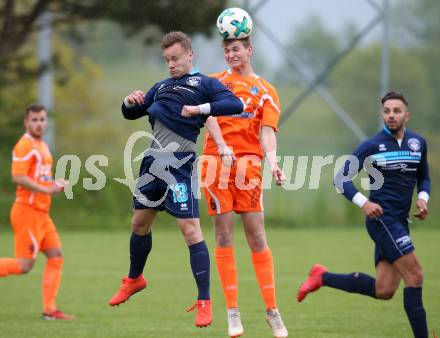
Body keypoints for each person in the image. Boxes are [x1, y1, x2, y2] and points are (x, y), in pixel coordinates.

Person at [108, 31, 243, 328]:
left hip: (180, 165)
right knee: (138, 225)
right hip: (152, 163)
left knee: (191, 232)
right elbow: (131, 113)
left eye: (176, 58)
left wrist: (200, 109)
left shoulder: (205, 84)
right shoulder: (161, 86)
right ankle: (134, 279)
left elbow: (235, 105)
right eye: (167, 59)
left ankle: (204, 301)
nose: (170, 64)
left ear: (190, 55)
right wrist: (129, 102)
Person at [297, 92, 431, 338]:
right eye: (387, 111)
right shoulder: (371, 145)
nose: (391, 115)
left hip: (399, 222)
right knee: (415, 275)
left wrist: (423, 198)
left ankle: (322, 277)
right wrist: (364, 203)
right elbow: (341, 178)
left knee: (385, 289)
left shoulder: (417, 143)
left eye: (396, 110)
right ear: (383, 114)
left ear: (406, 115)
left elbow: (423, 177)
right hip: (382, 220)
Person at [187, 36, 288, 337]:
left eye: (236, 49)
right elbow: (209, 117)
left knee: (257, 235)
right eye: (227, 50)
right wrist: (220, 145)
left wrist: (274, 162)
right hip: (216, 162)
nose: (231, 54)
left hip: (250, 166)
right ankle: (232, 311)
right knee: (223, 233)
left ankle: (272, 310)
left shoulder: (267, 91)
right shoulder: (215, 82)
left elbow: (267, 131)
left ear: (249, 50)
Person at [0, 104, 73, 320]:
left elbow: (40, 178)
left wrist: (55, 183)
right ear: (26, 122)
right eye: (34, 120)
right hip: (27, 212)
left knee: (56, 256)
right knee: (24, 266)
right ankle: (49, 310)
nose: (39, 124)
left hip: (42, 214)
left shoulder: (41, 145)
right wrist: (47, 189)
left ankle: (49, 311)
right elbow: (18, 177)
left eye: (42, 120)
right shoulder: (25, 146)